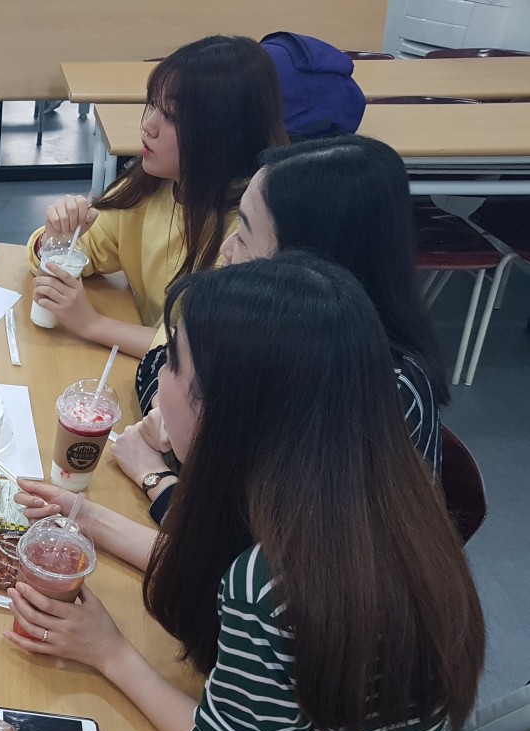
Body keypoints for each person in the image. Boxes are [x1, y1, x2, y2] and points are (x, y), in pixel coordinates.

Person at [8, 254, 485, 731]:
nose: (156, 383)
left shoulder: (274, 580)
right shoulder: (369, 495)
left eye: (173, 366)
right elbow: (215, 584)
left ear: (222, 412)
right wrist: (93, 520)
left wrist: (110, 653)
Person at [121, 136, 447, 529]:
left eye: (244, 235)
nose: (226, 250)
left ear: (307, 269)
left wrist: (156, 479)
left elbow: (245, 546)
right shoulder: (278, 337)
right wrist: (170, 413)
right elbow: (157, 359)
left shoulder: (375, 397)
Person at [27, 34, 286, 356]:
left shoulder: (248, 234)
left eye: (172, 117)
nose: (148, 125)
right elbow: (90, 248)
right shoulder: (152, 185)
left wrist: (92, 324)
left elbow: (206, 349)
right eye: (152, 105)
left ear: (223, 133)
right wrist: (57, 240)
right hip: (149, 367)